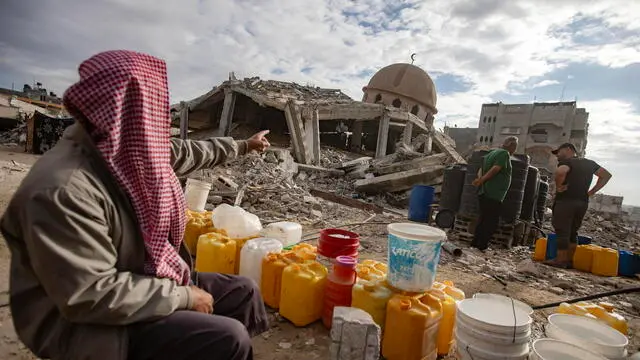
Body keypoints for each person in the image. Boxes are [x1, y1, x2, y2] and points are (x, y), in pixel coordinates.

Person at [0, 50, 271, 360]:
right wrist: (181, 296)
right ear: (123, 111)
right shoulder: (63, 190)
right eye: (151, 107)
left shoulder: (132, 149)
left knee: (244, 292)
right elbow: (90, 295)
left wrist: (244, 145)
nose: (161, 117)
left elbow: (190, 151)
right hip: (85, 325)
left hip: (138, 276)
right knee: (228, 338)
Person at [545, 142, 612, 268]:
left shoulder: (568, 162)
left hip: (566, 202)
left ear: (568, 149)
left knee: (562, 230)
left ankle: (560, 260)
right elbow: (606, 175)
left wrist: (559, 187)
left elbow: (560, 172)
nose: (557, 156)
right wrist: (592, 192)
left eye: (559, 152)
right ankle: (569, 261)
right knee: (573, 231)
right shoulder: (590, 163)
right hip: (582, 202)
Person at [471, 136, 518, 251]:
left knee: (483, 218)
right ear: (512, 146)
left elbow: (480, 169)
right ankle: (482, 245)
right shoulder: (504, 154)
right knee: (491, 221)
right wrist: (482, 180)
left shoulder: (492, 153)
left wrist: (480, 179)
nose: (515, 150)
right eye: (515, 147)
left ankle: (475, 243)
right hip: (493, 193)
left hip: (484, 191)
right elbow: (496, 169)